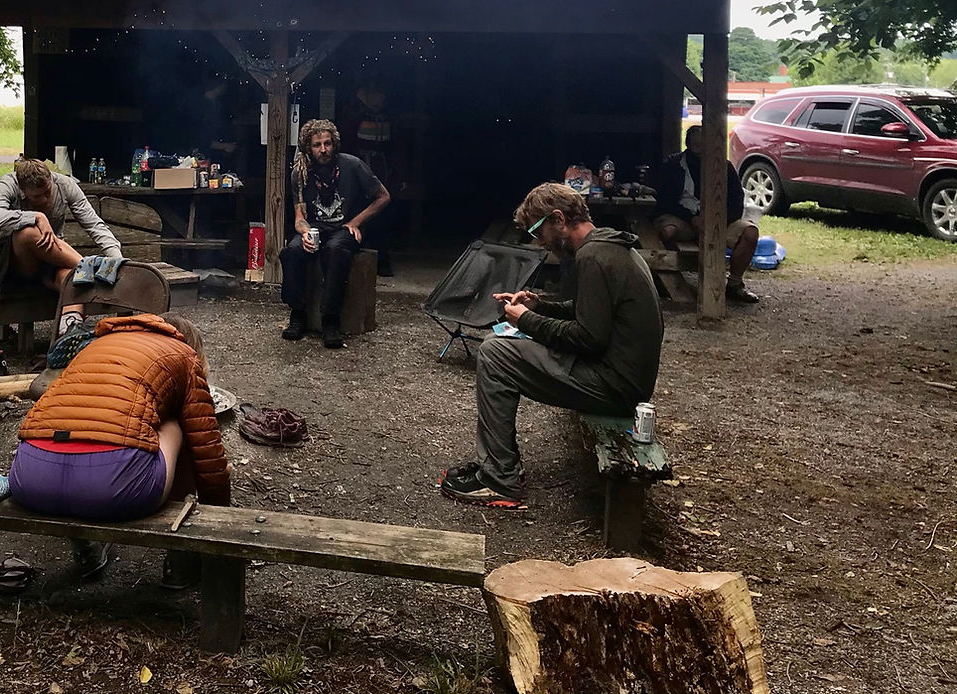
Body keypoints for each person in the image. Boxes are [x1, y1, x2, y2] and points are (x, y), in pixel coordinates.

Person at [439, 182, 663, 509]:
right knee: (498, 346)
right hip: (622, 377)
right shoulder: (609, 246)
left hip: (614, 387)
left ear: (558, 219)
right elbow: (588, 312)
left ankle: (499, 478)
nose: (539, 242)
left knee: (494, 352)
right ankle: (498, 464)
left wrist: (525, 321)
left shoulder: (593, 257)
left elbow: (588, 338)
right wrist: (538, 306)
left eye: (537, 231)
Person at [9, 312, 230, 582]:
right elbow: (207, 454)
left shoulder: (95, 347)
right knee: (178, 423)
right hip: (111, 488)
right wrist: (219, 517)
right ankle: (181, 562)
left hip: (30, 478)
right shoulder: (184, 355)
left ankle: (87, 549)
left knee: (88, 420)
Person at [0, 156, 123, 336]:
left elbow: (94, 225)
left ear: (51, 180)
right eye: (37, 196)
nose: (44, 198)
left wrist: (116, 258)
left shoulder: (65, 185)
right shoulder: (8, 184)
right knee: (29, 232)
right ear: (23, 189)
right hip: (14, 267)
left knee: (73, 277)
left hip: (49, 262)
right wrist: (35, 217)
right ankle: (89, 267)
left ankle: (71, 328)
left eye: (47, 191)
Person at [279, 118, 390, 349]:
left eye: (327, 143)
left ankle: (330, 320)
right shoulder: (300, 172)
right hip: (315, 228)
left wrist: (356, 221)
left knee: (335, 250)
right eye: (317, 145)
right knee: (292, 251)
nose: (323, 149)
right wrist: (306, 232)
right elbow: (299, 217)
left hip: (344, 229)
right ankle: (298, 314)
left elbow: (383, 196)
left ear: (334, 144)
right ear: (308, 147)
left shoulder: (352, 165)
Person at [653, 124, 761, 304]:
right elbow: (666, 202)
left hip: (719, 220)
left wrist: (718, 221)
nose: (701, 150)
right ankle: (667, 278)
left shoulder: (725, 167)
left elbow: (736, 201)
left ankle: (735, 284)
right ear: (688, 144)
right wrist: (692, 218)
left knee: (750, 233)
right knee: (667, 232)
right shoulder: (674, 166)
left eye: (704, 145)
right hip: (683, 219)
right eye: (696, 145)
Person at [338, 72, 398, 275]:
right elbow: (347, 145)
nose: (377, 97)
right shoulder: (353, 115)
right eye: (371, 93)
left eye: (379, 94)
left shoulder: (388, 117)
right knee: (357, 214)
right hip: (359, 172)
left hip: (382, 172)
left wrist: (398, 175)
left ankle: (382, 262)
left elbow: (394, 148)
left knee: (382, 217)